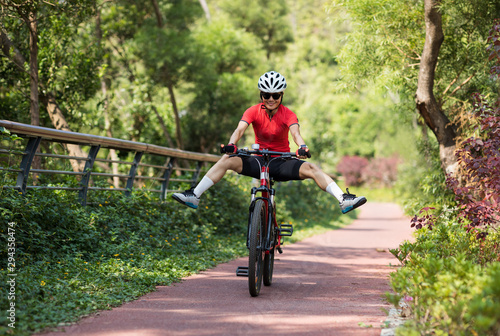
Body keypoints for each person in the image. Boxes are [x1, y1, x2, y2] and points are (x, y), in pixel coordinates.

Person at [172, 71, 367, 214]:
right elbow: (239, 130)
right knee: (227, 159)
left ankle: (343, 199)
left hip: (281, 163)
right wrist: (232, 144)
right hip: (258, 162)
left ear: (281, 95)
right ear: (261, 96)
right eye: (267, 95)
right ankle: (194, 195)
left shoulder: (288, 114)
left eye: (276, 95)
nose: (271, 99)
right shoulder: (253, 111)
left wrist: (302, 147)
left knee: (312, 168)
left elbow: (295, 133)